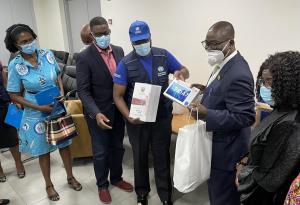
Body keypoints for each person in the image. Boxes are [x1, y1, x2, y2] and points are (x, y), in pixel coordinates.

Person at [113, 20, 189, 205]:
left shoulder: (163, 55)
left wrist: (181, 74)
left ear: (150, 38)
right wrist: (128, 116)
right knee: (139, 156)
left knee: (162, 156)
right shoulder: (126, 63)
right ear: (131, 42)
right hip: (138, 120)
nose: (141, 45)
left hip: (162, 118)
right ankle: (141, 193)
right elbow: (117, 96)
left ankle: (165, 195)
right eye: (137, 42)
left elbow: (184, 70)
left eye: (144, 40)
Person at [4, 24, 82, 201]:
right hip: (35, 112)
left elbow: (58, 75)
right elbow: (13, 94)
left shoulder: (47, 54)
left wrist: (61, 92)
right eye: (24, 42)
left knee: (64, 145)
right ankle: (49, 185)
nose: (29, 43)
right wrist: (39, 108)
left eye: (31, 39)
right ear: (16, 45)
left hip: (56, 106)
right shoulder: (16, 65)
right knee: (43, 150)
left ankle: (70, 177)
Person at [190, 21, 255, 205]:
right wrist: (205, 90)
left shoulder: (238, 72)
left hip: (228, 152)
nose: (210, 49)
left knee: (222, 199)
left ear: (231, 43)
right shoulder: (224, 62)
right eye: (207, 44)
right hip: (217, 144)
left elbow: (245, 117)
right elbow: (225, 93)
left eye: (215, 45)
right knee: (215, 194)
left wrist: (206, 114)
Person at [76, 16, 133, 204]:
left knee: (118, 147)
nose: (103, 37)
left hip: (119, 110)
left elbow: (124, 80)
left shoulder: (119, 50)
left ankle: (116, 178)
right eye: (99, 34)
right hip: (98, 113)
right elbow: (83, 90)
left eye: (106, 33)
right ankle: (102, 185)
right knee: (101, 151)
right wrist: (95, 112)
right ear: (92, 35)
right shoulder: (84, 57)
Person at [236, 51, 300, 205]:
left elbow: (271, 179)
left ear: (288, 84)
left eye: (269, 82)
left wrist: (243, 177)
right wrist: (245, 162)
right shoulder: (280, 108)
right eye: (263, 82)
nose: (264, 87)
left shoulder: (291, 123)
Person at [0, 61, 25, 182]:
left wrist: (14, 101)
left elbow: (5, 83)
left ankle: (19, 164)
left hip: (4, 103)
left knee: (12, 137)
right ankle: (0, 170)